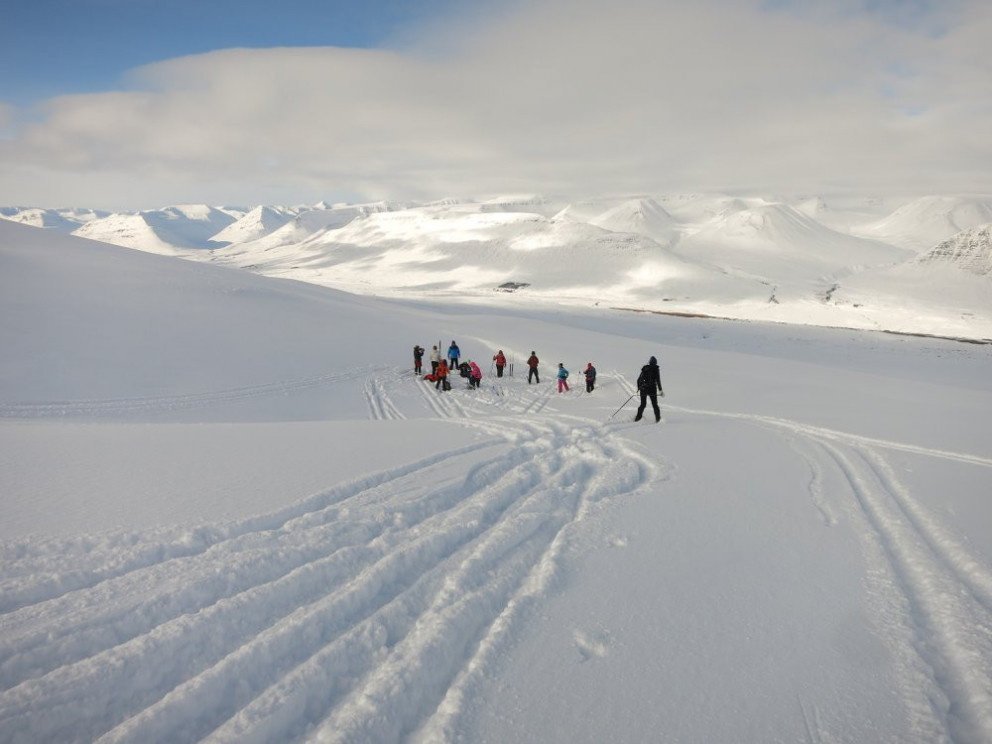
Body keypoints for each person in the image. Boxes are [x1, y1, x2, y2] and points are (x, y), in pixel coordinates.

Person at [634, 355, 663, 422]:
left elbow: (638, 380)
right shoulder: (656, 369)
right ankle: (658, 419)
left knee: (643, 404)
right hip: (652, 389)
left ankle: (637, 418)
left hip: (643, 389)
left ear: (649, 362)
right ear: (655, 363)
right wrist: (660, 390)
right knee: (655, 405)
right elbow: (658, 380)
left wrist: (639, 388)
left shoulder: (644, 369)